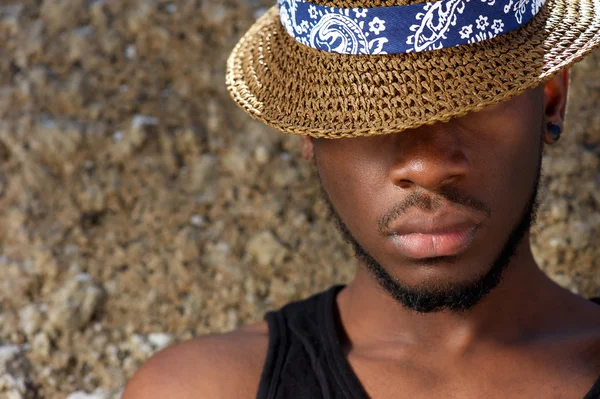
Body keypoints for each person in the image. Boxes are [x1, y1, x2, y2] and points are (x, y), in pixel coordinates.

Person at [123, 0, 600, 397]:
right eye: (364, 113)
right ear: (308, 127)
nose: (426, 165)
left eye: (478, 100)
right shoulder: (202, 390)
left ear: (551, 100)